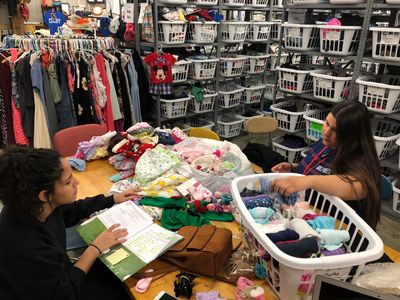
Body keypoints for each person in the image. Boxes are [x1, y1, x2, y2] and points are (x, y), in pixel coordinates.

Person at [0, 146, 137, 300]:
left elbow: (72, 211)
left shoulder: (34, 205)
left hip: (60, 277)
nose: (76, 182)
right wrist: (94, 248)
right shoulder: (27, 246)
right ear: (45, 195)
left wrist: (111, 199)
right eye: (68, 181)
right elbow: (65, 294)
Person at [270, 101, 381, 230]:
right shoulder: (326, 142)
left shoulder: (360, 159)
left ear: (351, 136)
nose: (326, 132)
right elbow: (320, 168)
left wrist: (307, 181)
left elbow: (359, 186)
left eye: (336, 130)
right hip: (309, 212)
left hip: (338, 227)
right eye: (327, 123)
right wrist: (293, 167)